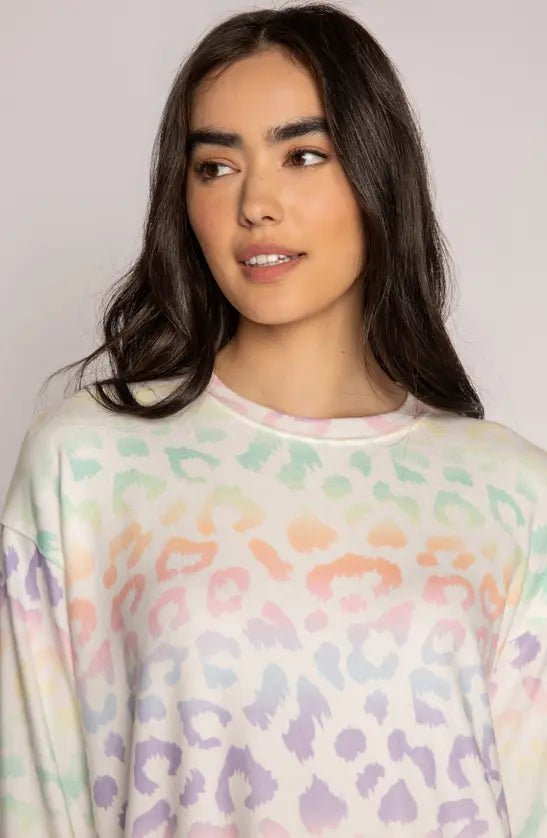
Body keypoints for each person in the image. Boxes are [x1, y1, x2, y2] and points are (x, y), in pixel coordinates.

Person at [1, 2, 546, 836]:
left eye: (303, 155)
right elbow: (35, 802)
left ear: (376, 172)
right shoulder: (88, 462)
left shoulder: (511, 495)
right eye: (215, 167)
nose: (255, 202)